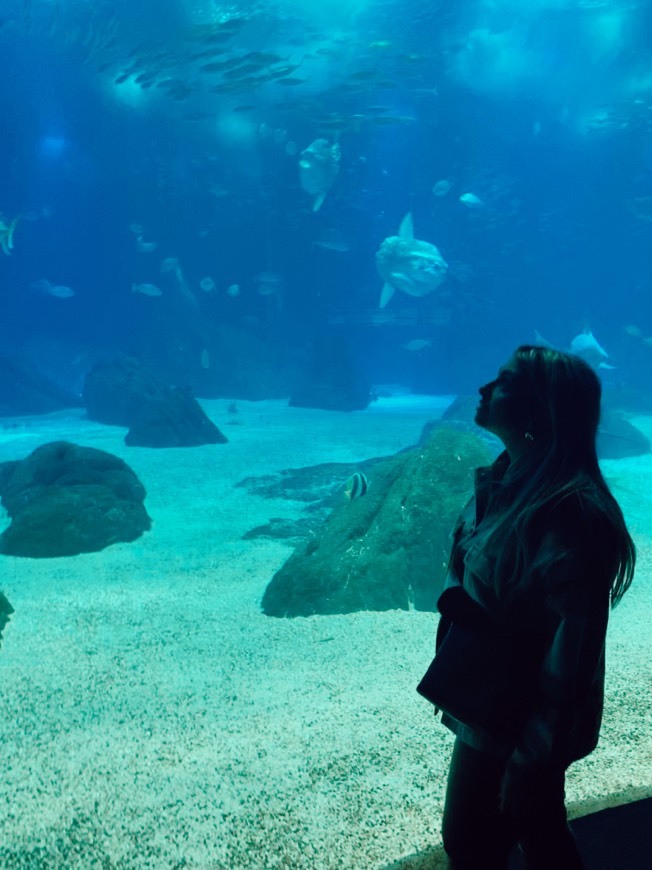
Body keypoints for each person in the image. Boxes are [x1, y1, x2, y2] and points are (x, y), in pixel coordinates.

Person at [417, 345, 636, 870]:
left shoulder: (570, 513)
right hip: (489, 702)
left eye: (506, 382)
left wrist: (533, 754)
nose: (485, 389)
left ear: (544, 409)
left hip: (518, 718)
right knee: (534, 830)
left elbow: (572, 650)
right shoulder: (505, 480)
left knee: (471, 839)